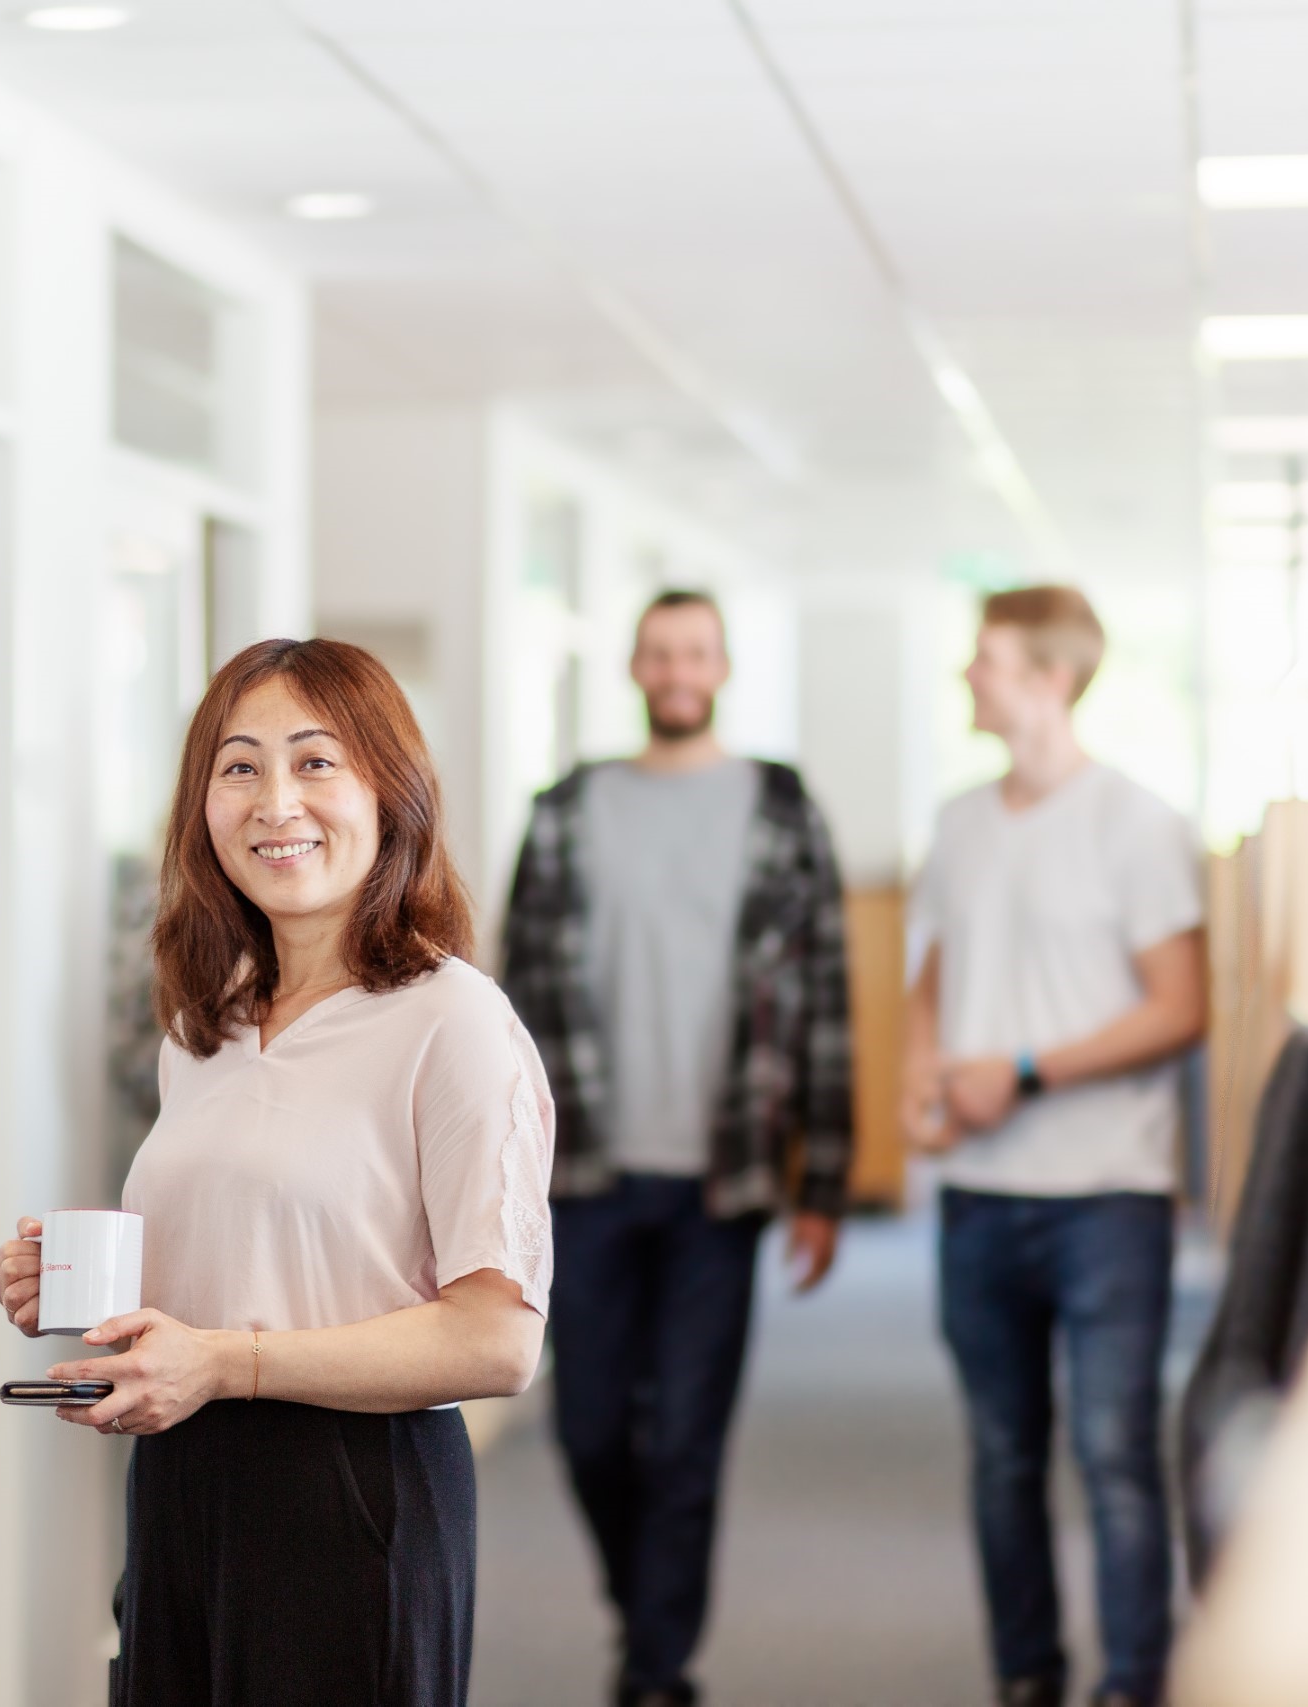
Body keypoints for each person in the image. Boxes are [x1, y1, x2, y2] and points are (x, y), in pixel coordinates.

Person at [0, 637, 554, 1705]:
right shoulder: (205, 1026)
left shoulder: (453, 1021)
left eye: (315, 762)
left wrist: (226, 1362)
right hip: (183, 1482)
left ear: (390, 791)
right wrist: (81, 1290)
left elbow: (497, 1338)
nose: (274, 801)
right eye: (238, 767)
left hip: (351, 1497)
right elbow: (258, 1255)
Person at [499, 588, 852, 1707]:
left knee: (688, 1440)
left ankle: (656, 1671)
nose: (677, 667)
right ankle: (642, 1606)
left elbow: (829, 1003)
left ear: (723, 665)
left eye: (695, 649)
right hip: (586, 1175)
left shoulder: (781, 809)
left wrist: (823, 1183)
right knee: (592, 1429)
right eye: (659, 650)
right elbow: (504, 1014)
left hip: (725, 1176)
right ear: (635, 667)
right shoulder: (562, 809)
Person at [904, 586, 1205, 1707]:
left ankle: (1135, 1682)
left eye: (983, 660)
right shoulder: (956, 822)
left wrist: (1020, 1070)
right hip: (977, 1197)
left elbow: (1179, 1007)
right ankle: (1026, 1676)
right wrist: (918, 1078)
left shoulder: (1137, 822)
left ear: (1045, 678)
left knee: (1116, 1461)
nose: (967, 678)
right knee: (1002, 1460)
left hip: (1105, 1197)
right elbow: (932, 973)